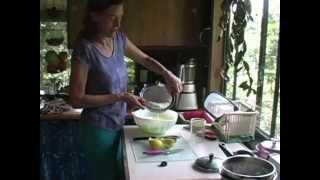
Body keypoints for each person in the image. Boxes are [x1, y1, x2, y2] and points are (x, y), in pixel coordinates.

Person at [68, 0, 182, 179]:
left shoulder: (118, 38)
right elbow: (76, 99)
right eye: (112, 18)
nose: (117, 24)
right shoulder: (85, 48)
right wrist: (120, 97)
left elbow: (144, 59)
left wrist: (167, 74)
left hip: (119, 125)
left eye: (120, 18)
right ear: (94, 16)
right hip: (98, 130)